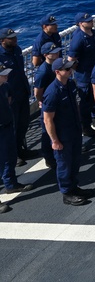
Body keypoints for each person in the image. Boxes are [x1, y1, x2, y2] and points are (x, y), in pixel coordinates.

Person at [42, 57, 92, 205]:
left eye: (70, 68)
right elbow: (47, 119)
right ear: (57, 72)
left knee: (75, 161)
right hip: (62, 135)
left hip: (74, 130)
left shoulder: (70, 84)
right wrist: (55, 140)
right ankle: (67, 193)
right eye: (67, 69)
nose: (70, 71)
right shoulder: (52, 92)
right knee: (64, 164)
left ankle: (74, 186)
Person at [1, 67, 34, 204]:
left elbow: (9, 99)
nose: (7, 76)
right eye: (3, 74)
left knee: (10, 156)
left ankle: (11, 184)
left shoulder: (6, 86)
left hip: (7, 126)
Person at [0, 28, 32, 166]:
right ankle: (14, 155)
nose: (14, 39)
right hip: (10, 96)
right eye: (11, 38)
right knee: (12, 127)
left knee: (23, 124)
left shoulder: (17, 50)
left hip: (22, 92)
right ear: (2, 41)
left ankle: (21, 149)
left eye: (14, 37)